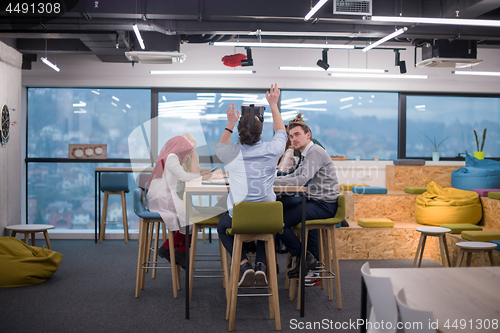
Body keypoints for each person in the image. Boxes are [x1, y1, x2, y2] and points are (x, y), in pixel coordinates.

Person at [217, 84, 287, 287]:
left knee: (222, 227)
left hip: (239, 218)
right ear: (261, 131)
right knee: (266, 229)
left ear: (238, 132)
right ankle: (262, 266)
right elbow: (281, 130)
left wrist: (230, 122)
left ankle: (243, 264)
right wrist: (273, 105)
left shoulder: (231, 153)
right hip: (268, 218)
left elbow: (220, 147)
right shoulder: (274, 149)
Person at [274, 119, 340, 280]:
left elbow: (302, 179)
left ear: (308, 135)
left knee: (276, 221)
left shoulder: (314, 151)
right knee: (277, 209)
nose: (293, 139)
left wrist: (271, 181)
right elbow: (295, 175)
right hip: (314, 200)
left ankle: (305, 258)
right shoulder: (306, 152)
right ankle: (305, 260)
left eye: (297, 134)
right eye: (291, 136)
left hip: (324, 205)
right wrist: (273, 178)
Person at [147, 135, 211, 269]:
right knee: (193, 218)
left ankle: (179, 252)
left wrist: (198, 172)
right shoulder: (172, 157)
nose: (189, 153)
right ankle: (167, 248)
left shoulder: (172, 157)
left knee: (193, 217)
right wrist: (201, 176)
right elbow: (183, 176)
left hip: (166, 196)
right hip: (163, 198)